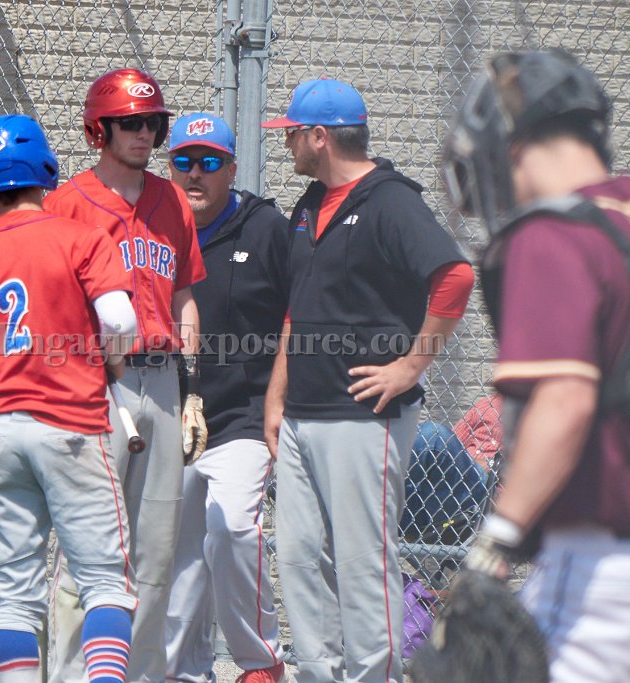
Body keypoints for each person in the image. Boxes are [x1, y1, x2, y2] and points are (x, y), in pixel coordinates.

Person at [443, 49, 630, 683]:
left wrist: (494, 543)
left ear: (512, 146)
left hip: (597, 578)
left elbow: (566, 401)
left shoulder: (551, 235)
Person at [261, 79, 474, 682]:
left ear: (319, 137)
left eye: (292, 134)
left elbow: (455, 278)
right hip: (301, 414)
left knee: (361, 562)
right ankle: (318, 674)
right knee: (298, 558)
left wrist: (410, 365)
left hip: (363, 415)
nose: (287, 144)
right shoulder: (310, 204)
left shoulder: (389, 201)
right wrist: (276, 395)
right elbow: (297, 307)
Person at [0, 114, 139, 683]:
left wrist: (7, 405)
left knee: (14, 593)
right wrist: (113, 361)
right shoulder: (81, 238)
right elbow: (121, 321)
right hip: (72, 425)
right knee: (106, 583)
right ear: (44, 169)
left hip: (5, 431)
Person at [42, 68, 208, 683]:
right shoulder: (65, 205)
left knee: (156, 551)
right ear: (100, 129)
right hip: (93, 384)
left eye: (153, 123)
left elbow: (184, 297)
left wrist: (193, 391)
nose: (144, 133)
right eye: (130, 123)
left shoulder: (173, 202)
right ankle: (70, 674)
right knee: (88, 546)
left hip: (162, 382)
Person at [162, 113, 289, 683]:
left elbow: (300, 313)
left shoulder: (265, 229)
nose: (195, 173)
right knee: (179, 555)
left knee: (233, 529)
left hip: (242, 414)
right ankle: (184, 672)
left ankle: (260, 663)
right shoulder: (155, 228)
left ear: (232, 170)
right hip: (169, 411)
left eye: (209, 162)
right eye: (183, 161)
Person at [452, 393, 504, 474]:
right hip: (460, 467)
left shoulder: (523, 414)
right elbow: (452, 440)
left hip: (491, 475)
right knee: (436, 433)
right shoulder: (487, 403)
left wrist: (492, 464)